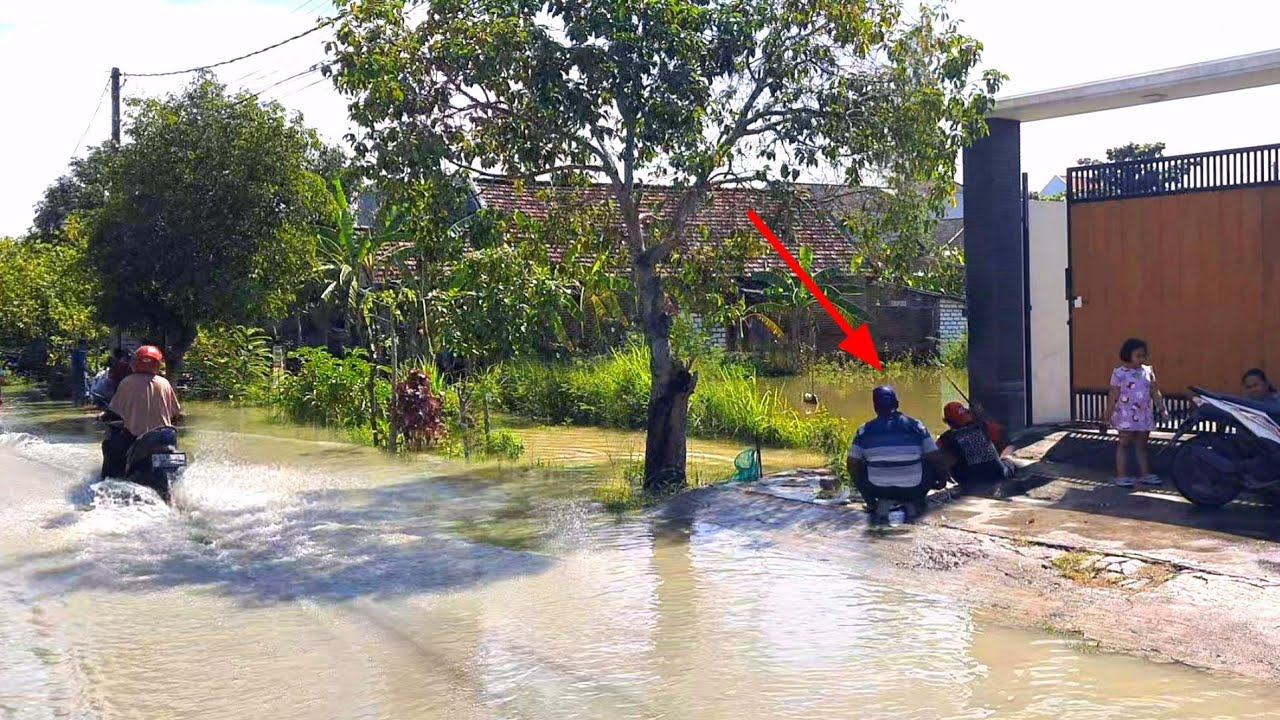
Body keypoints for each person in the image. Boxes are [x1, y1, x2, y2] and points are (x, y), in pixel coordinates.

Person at [846, 385, 948, 522]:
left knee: (857, 464)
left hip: (879, 489)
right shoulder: (916, 425)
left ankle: (871, 504)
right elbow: (934, 456)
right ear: (897, 404)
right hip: (913, 488)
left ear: (875, 407)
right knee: (928, 457)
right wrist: (942, 478)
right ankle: (917, 500)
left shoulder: (864, 430)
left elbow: (851, 464)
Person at [101, 345, 183, 479]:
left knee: (110, 447)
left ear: (134, 363)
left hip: (135, 437)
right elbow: (175, 412)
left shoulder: (126, 382)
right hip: (164, 436)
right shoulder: (164, 383)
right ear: (158, 364)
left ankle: (108, 482)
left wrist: (105, 416)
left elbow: (115, 410)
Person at [1101, 337, 1169, 488]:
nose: (1141, 359)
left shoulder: (1148, 371)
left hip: (1144, 415)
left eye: (1143, 355)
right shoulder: (1119, 373)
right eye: (1138, 355)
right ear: (1127, 354)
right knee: (1124, 444)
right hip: (1125, 415)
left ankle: (1145, 474)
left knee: (1142, 445)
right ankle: (1121, 476)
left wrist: (1162, 408)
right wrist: (1106, 417)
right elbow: (1113, 396)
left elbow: (1155, 391)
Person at [937, 401, 1017, 491]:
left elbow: (935, 457)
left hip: (969, 482)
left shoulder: (945, 439)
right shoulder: (984, 427)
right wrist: (982, 416)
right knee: (1008, 454)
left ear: (947, 421)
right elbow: (1004, 436)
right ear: (967, 415)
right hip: (997, 475)